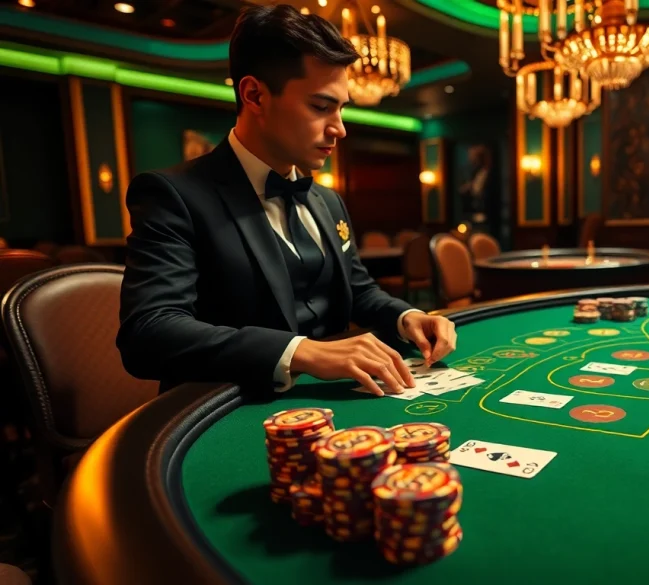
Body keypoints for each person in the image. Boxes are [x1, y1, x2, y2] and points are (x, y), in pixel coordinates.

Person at [117, 4, 456, 397]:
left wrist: (406, 316)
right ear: (254, 95)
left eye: (341, 109)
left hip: (335, 401)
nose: (340, 129)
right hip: (229, 406)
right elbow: (149, 332)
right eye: (320, 107)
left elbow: (359, 290)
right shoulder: (172, 194)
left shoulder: (328, 201)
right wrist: (299, 352)